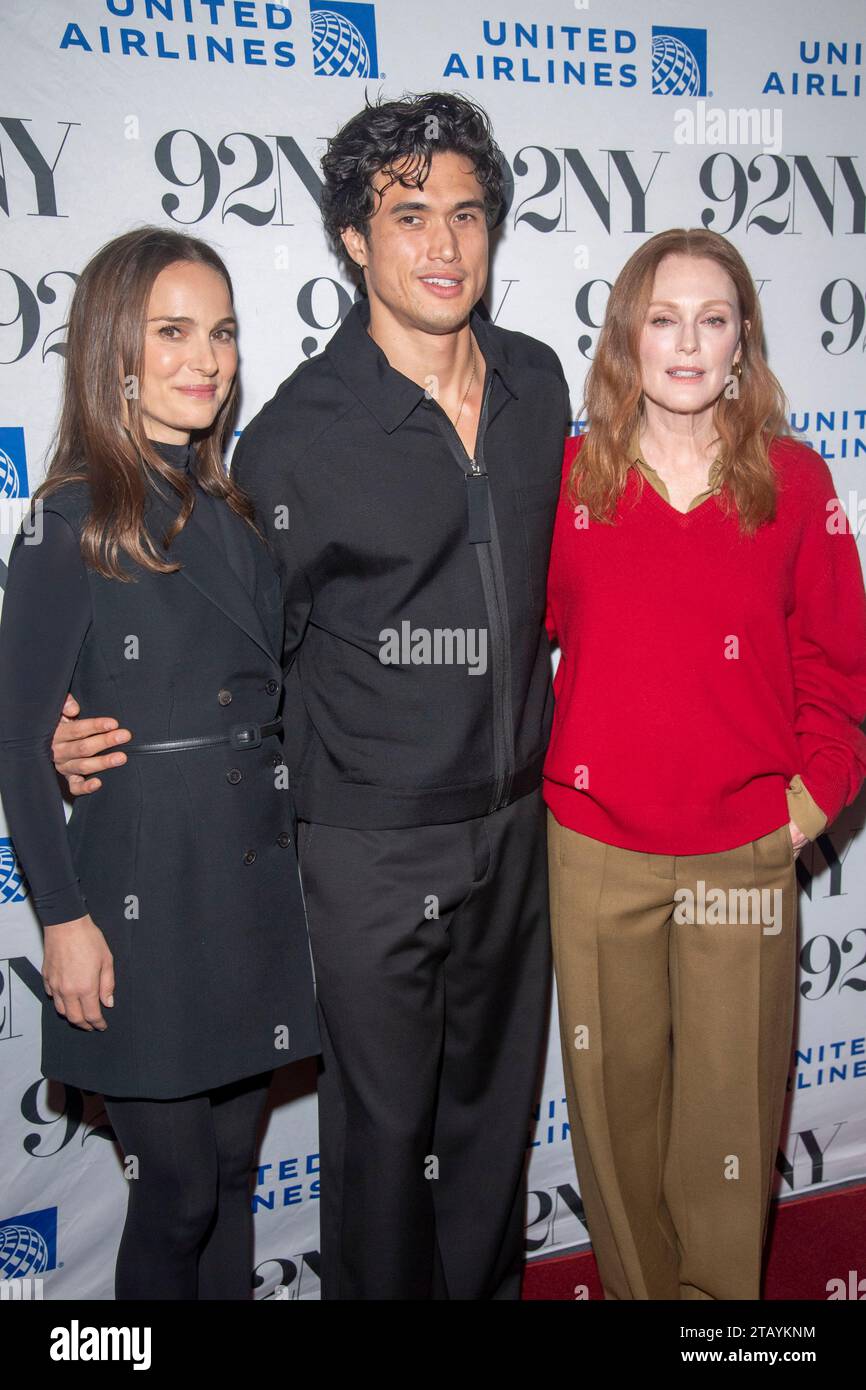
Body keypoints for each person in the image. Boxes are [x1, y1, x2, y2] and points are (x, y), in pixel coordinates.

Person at [49, 92, 571, 1300]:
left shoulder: (540, 387)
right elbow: (224, 649)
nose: (441, 245)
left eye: (465, 214)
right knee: (383, 1155)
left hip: (517, 829)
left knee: (491, 1138)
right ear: (352, 239)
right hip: (366, 851)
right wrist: (73, 740)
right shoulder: (290, 442)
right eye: (406, 217)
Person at [543, 227, 866, 1300]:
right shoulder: (564, 479)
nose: (686, 343)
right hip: (594, 852)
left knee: (729, 1129)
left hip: (742, 856)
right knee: (615, 1126)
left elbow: (839, 666)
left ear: (742, 341)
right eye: (663, 317)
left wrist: (806, 802)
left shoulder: (789, 477)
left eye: (712, 318)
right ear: (627, 336)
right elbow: (491, 643)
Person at [0, 227, 319, 1300]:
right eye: (172, 331)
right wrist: (63, 918)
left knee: (232, 1169)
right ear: (113, 353)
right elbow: (15, 734)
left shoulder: (235, 514)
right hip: (136, 893)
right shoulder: (69, 517)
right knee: (177, 1186)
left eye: (221, 332)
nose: (206, 358)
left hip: (244, 888)